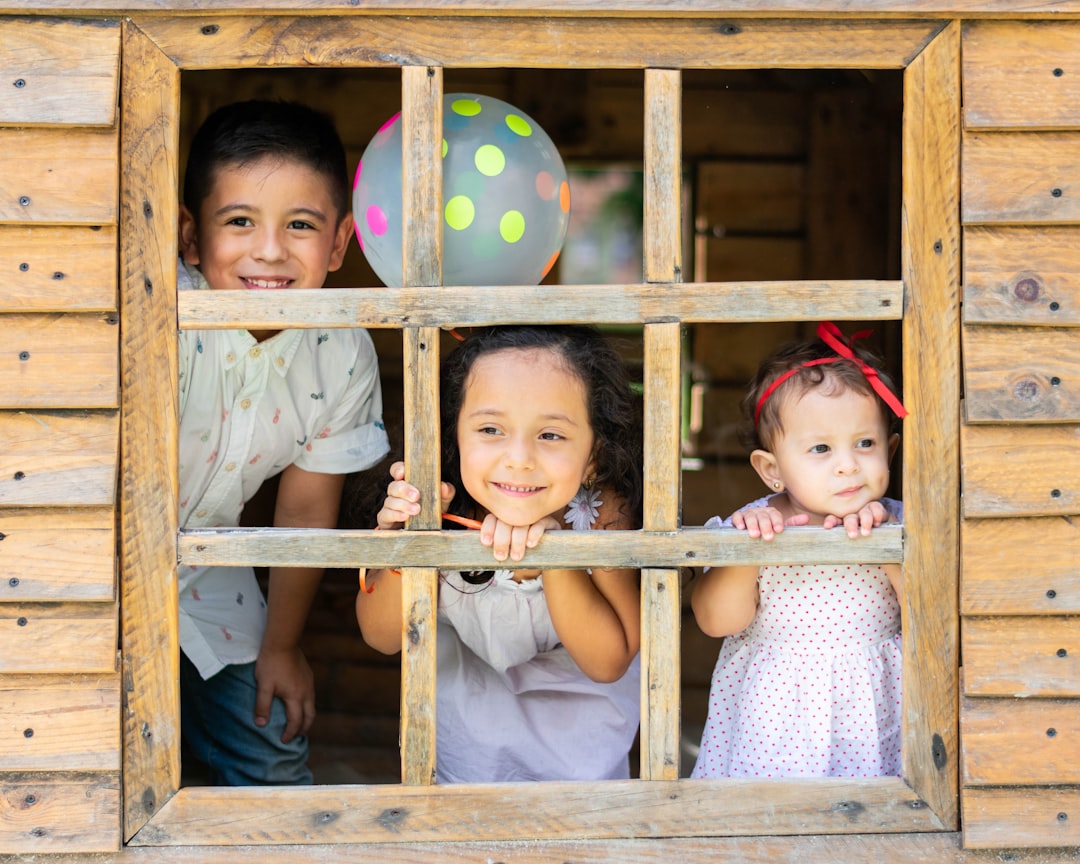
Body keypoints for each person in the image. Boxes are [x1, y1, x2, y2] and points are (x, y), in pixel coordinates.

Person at [176, 99, 390, 785]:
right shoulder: (160, 312)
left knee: (271, 761)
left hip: (213, 577)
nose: (269, 250)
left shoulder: (341, 351)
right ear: (190, 236)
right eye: (239, 221)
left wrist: (281, 646)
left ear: (340, 243)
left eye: (300, 225)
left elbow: (303, 510)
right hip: (99, 573)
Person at [355, 325, 643, 783]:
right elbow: (381, 636)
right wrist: (409, 542)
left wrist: (552, 555)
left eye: (551, 435)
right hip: (464, 748)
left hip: (580, 762)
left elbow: (608, 662)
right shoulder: (439, 503)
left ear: (594, 454)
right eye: (490, 429)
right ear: (452, 433)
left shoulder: (599, 512)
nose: (519, 458)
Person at [691, 321, 906, 779]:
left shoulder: (900, 523)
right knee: (773, 816)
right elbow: (715, 621)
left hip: (871, 711)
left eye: (865, 443)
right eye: (821, 448)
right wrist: (749, 554)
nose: (848, 465)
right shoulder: (753, 524)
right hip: (775, 720)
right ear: (772, 470)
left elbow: (935, 616)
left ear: (890, 450)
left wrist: (888, 547)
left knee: (869, 814)